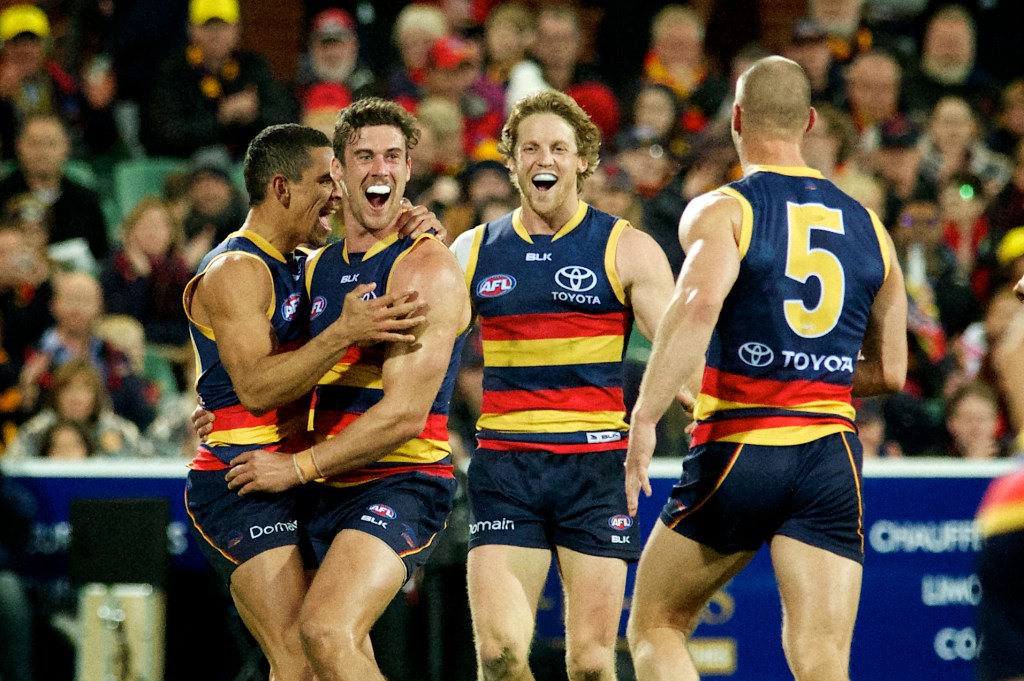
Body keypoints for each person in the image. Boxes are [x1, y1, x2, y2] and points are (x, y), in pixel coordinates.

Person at [623, 56, 908, 681]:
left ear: (735, 120)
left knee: (655, 627)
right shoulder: (874, 230)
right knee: (822, 659)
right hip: (831, 457)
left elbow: (697, 305)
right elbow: (891, 371)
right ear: (809, 122)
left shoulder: (723, 209)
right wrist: (817, 372)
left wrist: (645, 416)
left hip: (742, 443)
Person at [222, 97, 472, 681]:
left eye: (392, 156)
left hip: (400, 479)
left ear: (410, 170)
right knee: (312, 658)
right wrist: (226, 413)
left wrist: (296, 468)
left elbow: (405, 415)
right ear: (338, 171)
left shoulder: (424, 267)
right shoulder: (312, 268)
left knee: (325, 630)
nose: (379, 169)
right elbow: (278, 374)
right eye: (363, 156)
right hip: (322, 484)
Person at [181, 122, 431, 681]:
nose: (338, 192)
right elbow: (257, 388)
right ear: (282, 188)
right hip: (242, 478)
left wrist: (412, 223)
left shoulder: (301, 262)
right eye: (326, 179)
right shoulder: (236, 271)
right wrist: (344, 332)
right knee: (300, 656)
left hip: (297, 475)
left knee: (332, 648)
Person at [448, 89, 677, 679]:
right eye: (529, 148)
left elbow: (683, 352)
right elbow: (422, 356)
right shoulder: (473, 250)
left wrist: (716, 414)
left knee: (593, 666)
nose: (543, 158)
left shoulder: (627, 248)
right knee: (499, 658)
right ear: (512, 162)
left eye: (558, 147)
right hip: (506, 467)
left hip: (595, 470)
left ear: (583, 161)